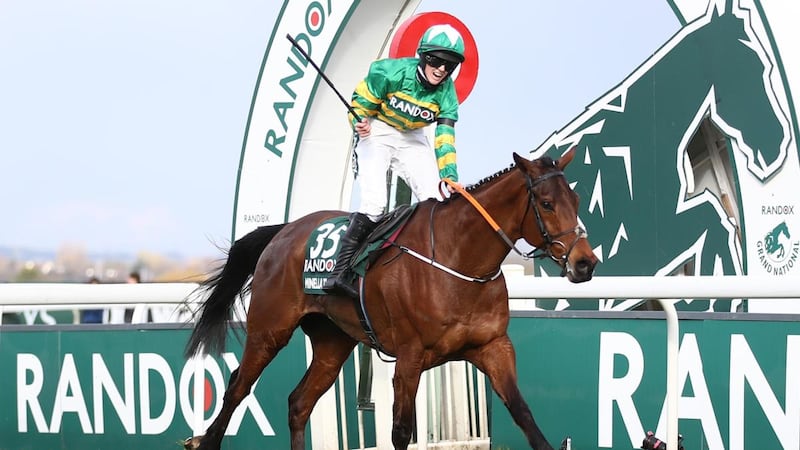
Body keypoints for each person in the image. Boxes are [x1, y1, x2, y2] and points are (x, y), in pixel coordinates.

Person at [323, 24, 466, 297]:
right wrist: (359, 122)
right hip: (379, 130)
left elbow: (445, 137)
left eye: (449, 65)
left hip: (413, 137)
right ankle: (339, 272)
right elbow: (360, 104)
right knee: (375, 203)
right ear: (423, 56)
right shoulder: (388, 72)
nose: (441, 70)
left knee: (437, 198)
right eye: (435, 61)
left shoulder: (447, 92)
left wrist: (450, 175)